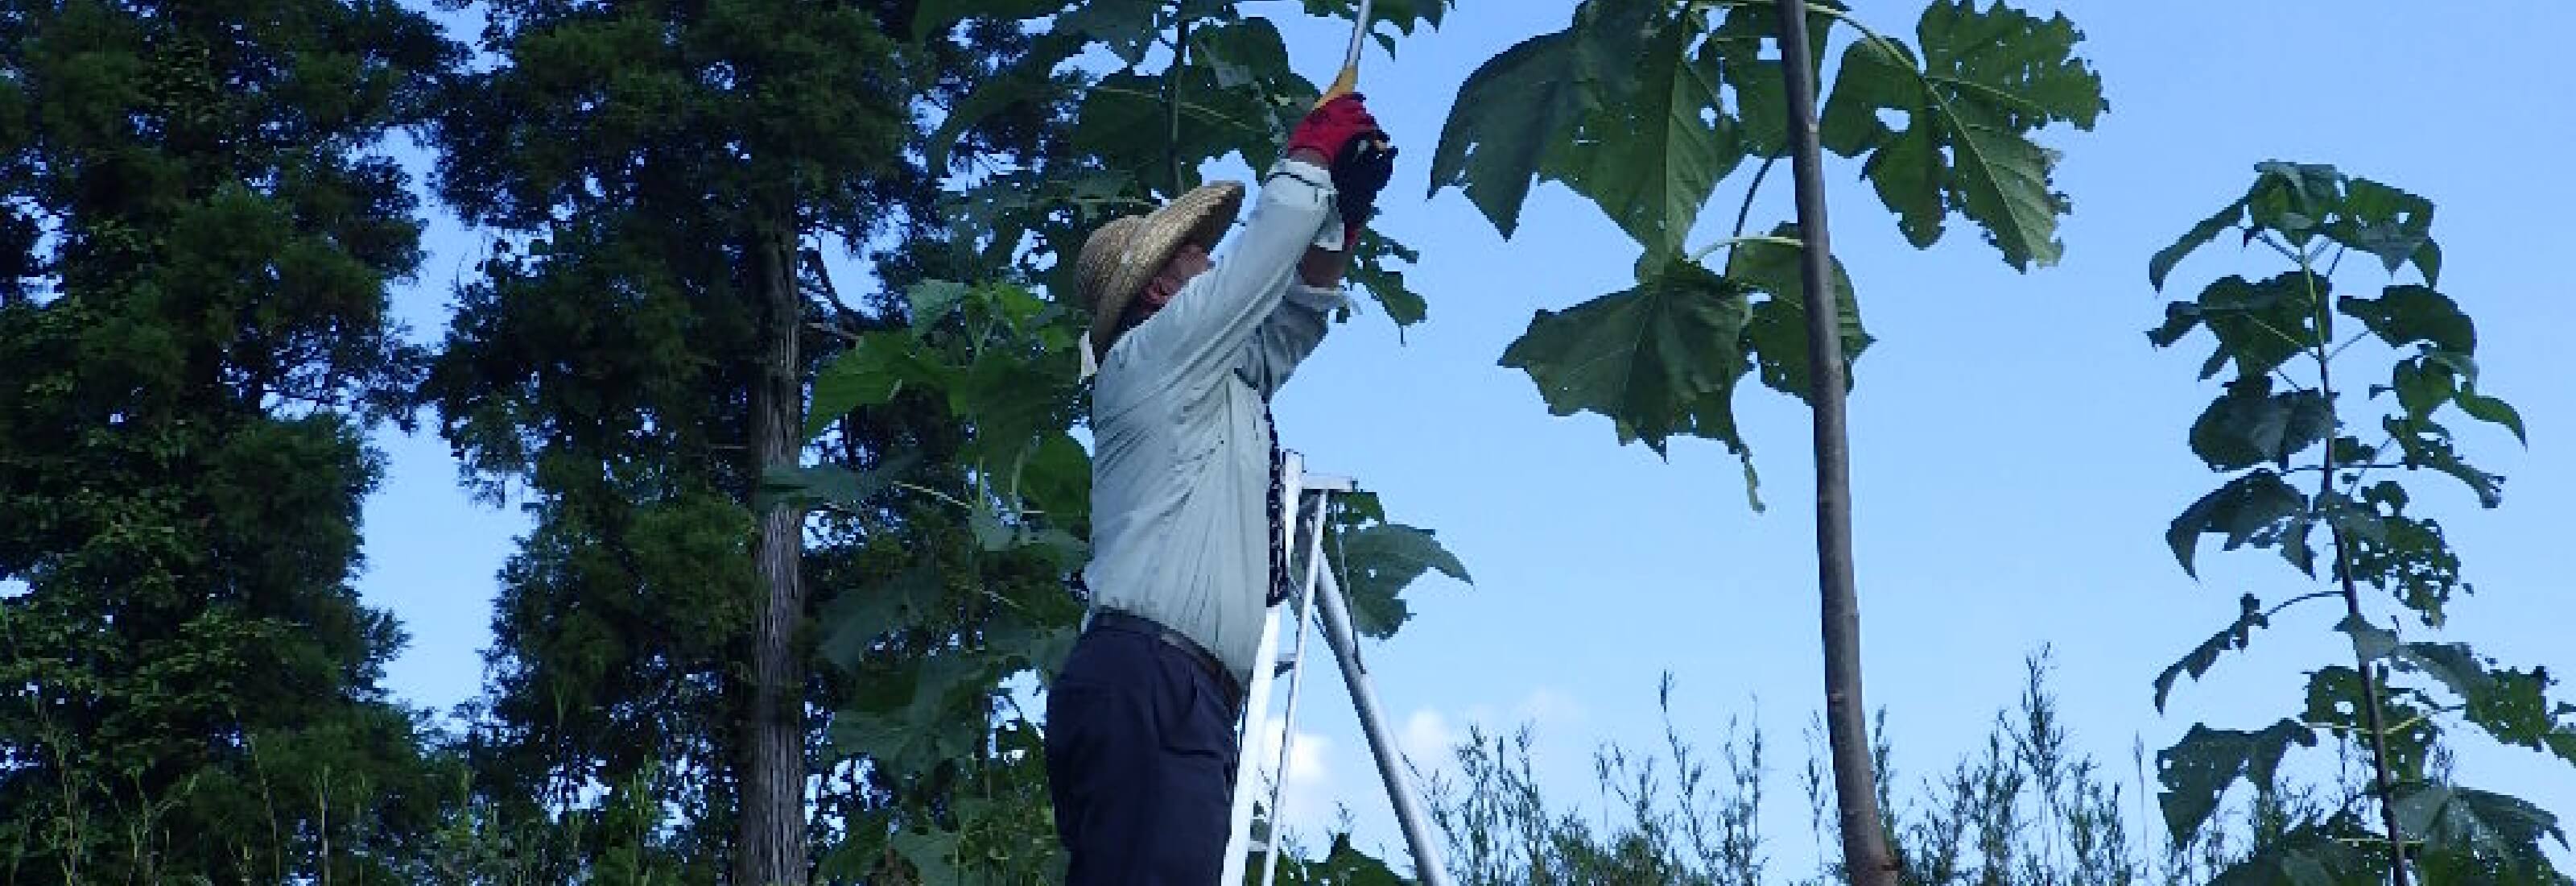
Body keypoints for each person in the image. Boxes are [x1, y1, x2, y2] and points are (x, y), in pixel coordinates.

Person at [1043, 93, 1396, 884]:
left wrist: (1343, 213)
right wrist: (1309, 156)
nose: (1208, 261)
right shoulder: (1150, 358)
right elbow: (1257, 268)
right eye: (1192, 255)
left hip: (1172, 693)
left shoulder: (1213, 382)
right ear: (1162, 295)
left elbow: (1294, 314)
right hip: (1153, 682)